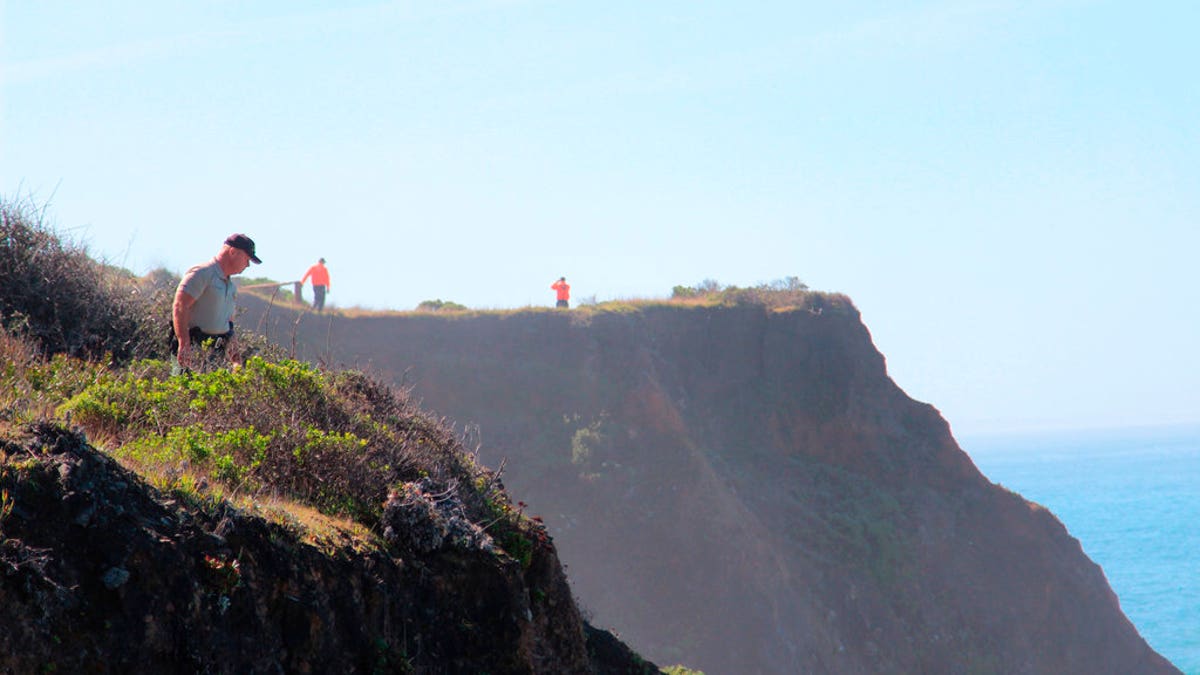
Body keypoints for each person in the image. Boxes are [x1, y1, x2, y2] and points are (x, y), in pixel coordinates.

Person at [171, 233, 261, 372]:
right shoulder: (202, 273)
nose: (248, 265)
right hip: (193, 347)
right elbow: (180, 305)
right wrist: (183, 342)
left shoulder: (231, 287)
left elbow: (228, 325)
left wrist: (236, 360)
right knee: (184, 391)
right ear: (233, 252)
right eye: (247, 258)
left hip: (215, 354)